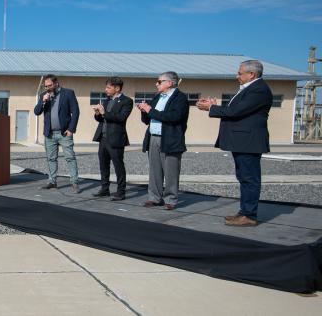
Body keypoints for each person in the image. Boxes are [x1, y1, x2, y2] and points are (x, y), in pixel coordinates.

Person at [197, 60, 273, 227]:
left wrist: (211, 108)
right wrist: (215, 106)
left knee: (249, 178)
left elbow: (236, 112)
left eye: (240, 73)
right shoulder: (249, 89)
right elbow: (237, 110)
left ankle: (249, 215)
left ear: (251, 74)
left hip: (249, 142)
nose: (236, 76)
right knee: (244, 177)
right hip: (242, 142)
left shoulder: (258, 90)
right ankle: (244, 212)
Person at [137, 71, 190, 210]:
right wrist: (144, 111)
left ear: (170, 83)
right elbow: (148, 119)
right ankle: (154, 198)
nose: (156, 84)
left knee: (171, 170)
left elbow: (174, 117)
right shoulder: (157, 97)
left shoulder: (180, 98)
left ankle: (171, 199)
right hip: (153, 137)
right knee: (154, 170)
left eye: (159, 81)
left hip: (170, 139)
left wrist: (150, 110)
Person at [33, 74, 81, 192]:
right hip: (49, 134)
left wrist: (71, 129)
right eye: (46, 86)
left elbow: (75, 112)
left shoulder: (68, 93)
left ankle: (74, 182)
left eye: (50, 85)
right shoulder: (43, 95)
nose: (48, 88)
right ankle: (52, 181)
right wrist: (43, 102)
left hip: (64, 133)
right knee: (51, 158)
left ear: (56, 83)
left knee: (70, 157)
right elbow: (37, 112)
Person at [91, 77, 132, 200]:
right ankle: (105, 189)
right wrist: (98, 114)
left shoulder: (127, 101)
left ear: (117, 88)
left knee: (118, 165)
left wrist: (104, 113)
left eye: (108, 87)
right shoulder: (107, 100)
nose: (106, 90)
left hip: (116, 139)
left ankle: (121, 191)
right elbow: (102, 119)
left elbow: (121, 118)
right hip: (103, 138)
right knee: (103, 165)